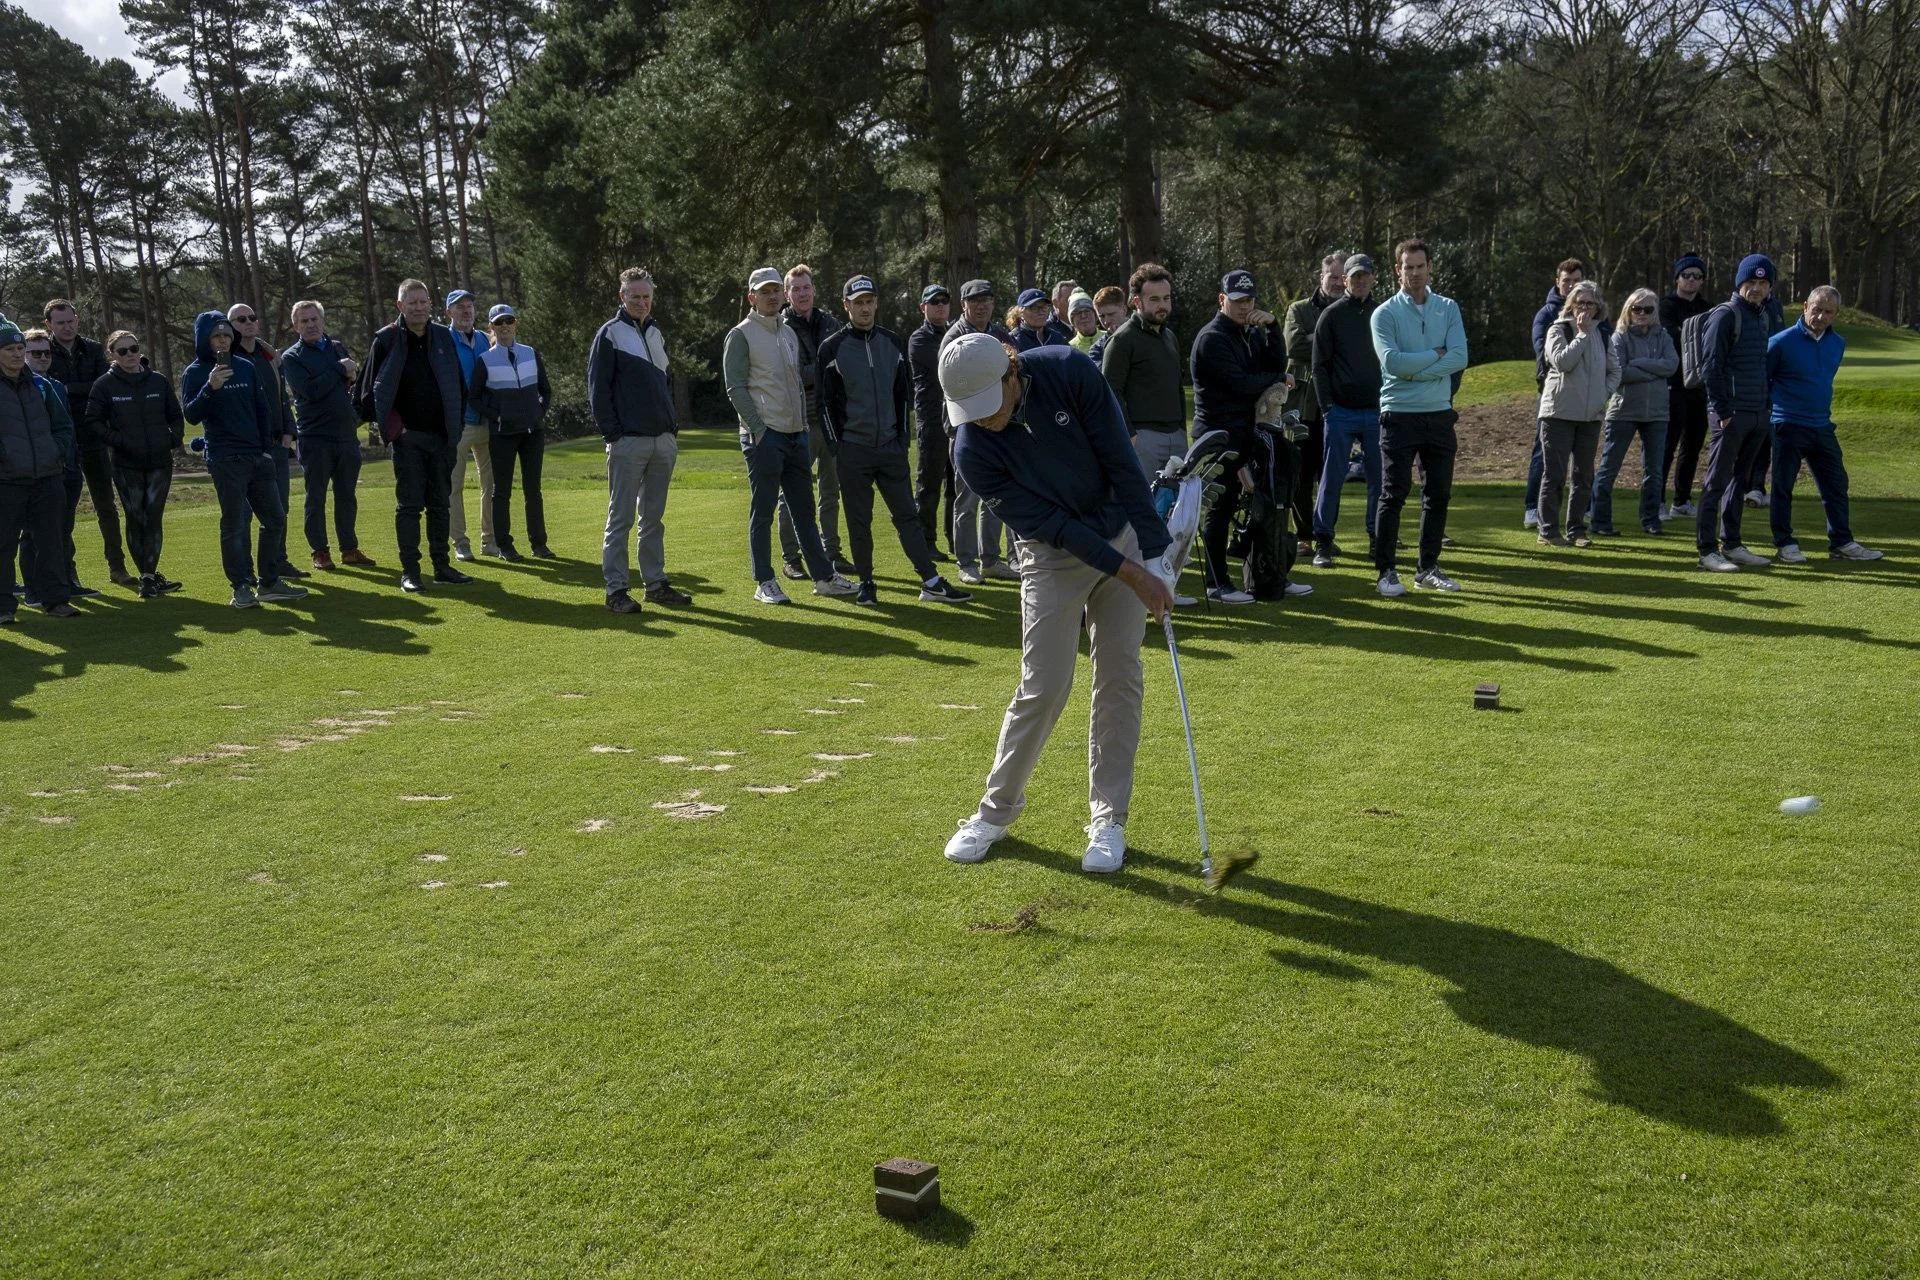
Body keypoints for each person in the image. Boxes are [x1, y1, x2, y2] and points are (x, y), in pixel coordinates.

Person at [938, 335, 1174, 874]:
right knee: (1044, 685)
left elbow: (1121, 460)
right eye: (968, 412)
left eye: (989, 404)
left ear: (1011, 374)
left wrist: (1155, 554)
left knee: (1119, 675)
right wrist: (1135, 574)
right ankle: (994, 813)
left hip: (1123, 535)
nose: (983, 419)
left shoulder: (1070, 370)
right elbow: (1057, 528)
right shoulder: (972, 449)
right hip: (1052, 554)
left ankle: (1108, 819)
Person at [816, 275, 972, 607]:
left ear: (876, 303)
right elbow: (824, 404)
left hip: (890, 447)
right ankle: (867, 583)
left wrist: (902, 439)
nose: (865, 308)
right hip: (852, 450)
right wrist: (837, 447)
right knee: (859, 521)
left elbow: (903, 397)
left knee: (907, 517)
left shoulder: (891, 341)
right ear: (846, 306)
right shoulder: (832, 348)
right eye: (857, 302)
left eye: (869, 301)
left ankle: (930, 582)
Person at [726, 266, 858, 604]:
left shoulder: (786, 333)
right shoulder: (740, 335)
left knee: (804, 510)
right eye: (764, 292)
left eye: (775, 291)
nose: (771, 297)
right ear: (751, 298)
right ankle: (764, 580)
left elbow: (798, 386)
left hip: (795, 433)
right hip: (764, 437)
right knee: (764, 511)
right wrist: (758, 430)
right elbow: (735, 388)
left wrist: (800, 425)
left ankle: (824, 577)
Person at [182, 311, 308, 609]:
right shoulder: (196, 372)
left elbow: (262, 409)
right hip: (225, 459)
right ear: (205, 340)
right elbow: (191, 413)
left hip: (258, 457)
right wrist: (210, 387)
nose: (223, 340)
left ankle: (268, 582)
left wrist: (266, 449)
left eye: (227, 334)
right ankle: (240, 586)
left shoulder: (246, 366)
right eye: (217, 335)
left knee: (275, 520)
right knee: (235, 524)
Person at [358, 278, 474, 594]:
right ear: (400, 306)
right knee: (409, 507)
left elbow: (459, 388)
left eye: (423, 302)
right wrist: (398, 429)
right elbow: (369, 395)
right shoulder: (387, 339)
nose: (419, 307)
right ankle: (410, 571)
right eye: (412, 302)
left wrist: (456, 427)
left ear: (430, 305)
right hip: (408, 440)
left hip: (443, 438)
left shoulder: (442, 337)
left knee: (440, 505)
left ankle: (442, 567)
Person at [1369, 237, 1468, 595]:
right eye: (1407, 267)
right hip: (1398, 414)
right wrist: (1435, 358)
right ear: (1398, 270)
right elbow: (1392, 363)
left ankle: (1427, 568)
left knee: (1437, 495)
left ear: (1429, 268)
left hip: (1439, 414)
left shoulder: (1448, 308)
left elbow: (1459, 357)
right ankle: (1385, 573)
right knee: (1393, 494)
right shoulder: (1385, 313)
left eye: (1419, 266)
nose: (1413, 273)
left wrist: (1418, 368)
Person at [1190, 268, 1292, 604]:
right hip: (1218, 437)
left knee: (1255, 504)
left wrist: (1273, 327)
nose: (1244, 306)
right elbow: (1243, 385)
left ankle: (1266, 574)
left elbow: (1275, 361)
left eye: (1248, 300)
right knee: (1220, 507)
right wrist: (1279, 376)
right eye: (1237, 300)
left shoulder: (1249, 332)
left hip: (1245, 432)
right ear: (1223, 300)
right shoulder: (1212, 338)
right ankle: (1216, 583)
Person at [590, 267, 689, 613]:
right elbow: (598, 392)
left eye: (646, 296)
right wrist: (614, 435)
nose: (642, 302)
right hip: (628, 442)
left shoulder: (655, 332)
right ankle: (616, 590)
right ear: (622, 297)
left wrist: (671, 428)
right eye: (635, 296)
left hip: (662, 440)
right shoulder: (609, 334)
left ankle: (656, 584)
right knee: (621, 519)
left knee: (653, 518)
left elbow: (665, 383)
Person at [1767, 286, 1882, 564]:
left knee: (1836, 484)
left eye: (1828, 312)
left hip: (1821, 425)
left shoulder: (1837, 343)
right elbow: (1764, 383)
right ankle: (1785, 544)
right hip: (1787, 424)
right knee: (1782, 487)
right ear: (1806, 306)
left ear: (1836, 314)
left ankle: (1841, 542)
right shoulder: (1780, 342)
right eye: (1816, 309)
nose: (1820, 316)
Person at [1696, 254, 1784, 572]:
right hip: (1731, 413)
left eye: (1763, 283)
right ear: (1740, 283)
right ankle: (1707, 551)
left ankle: (1731, 544)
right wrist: (1722, 410)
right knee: (1716, 481)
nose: (1757, 288)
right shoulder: (1725, 314)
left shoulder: (1761, 316)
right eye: (1751, 282)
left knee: (1740, 480)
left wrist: (1765, 407)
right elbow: (1711, 366)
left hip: (1757, 411)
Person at [86, 329, 183, 597]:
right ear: (111, 355)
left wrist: (174, 438)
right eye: (122, 351)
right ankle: (147, 577)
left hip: (160, 462)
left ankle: (149, 577)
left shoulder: (158, 381)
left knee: (152, 517)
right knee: (135, 517)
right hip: (126, 465)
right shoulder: (104, 386)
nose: (130, 354)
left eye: (133, 348)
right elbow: (93, 422)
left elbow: (175, 414)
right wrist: (120, 440)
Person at [280, 300, 373, 571]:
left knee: (346, 494)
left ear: (322, 321)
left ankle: (349, 549)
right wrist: (337, 369)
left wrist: (346, 372)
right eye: (304, 321)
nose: (310, 324)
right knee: (316, 496)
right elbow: (310, 390)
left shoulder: (337, 348)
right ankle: (320, 551)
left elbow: (349, 381)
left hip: (345, 435)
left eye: (314, 319)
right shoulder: (292, 357)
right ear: (296, 325)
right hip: (314, 437)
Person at [42, 299, 127, 587]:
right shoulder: (44, 351)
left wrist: (67, 389)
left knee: (107, 506)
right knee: (64, 512)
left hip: (94, 438)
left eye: (71, 320)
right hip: (62, 441)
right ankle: (69, 572)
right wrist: (78, 391)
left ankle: (117, 567)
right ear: (49, 325)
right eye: (60, 322)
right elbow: (46, 388)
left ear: (77, 320)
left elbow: (104, 386)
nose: (67, 326)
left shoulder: (92, 349)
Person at [1, 315, 80, 622]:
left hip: (47, 477)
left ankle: (56, 600)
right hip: (6, 480)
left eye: (20, 347)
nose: (17, 353)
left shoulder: (42, 385)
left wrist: (54, 452)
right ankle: (4, 607)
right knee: (3, 546)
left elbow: (63, 426)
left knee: (51, 542)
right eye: (9, 348)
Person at [1309, 253, 1384, 568]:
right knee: (1332, 477)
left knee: (1380, 480)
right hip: (1340, 411)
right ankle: (1323, 541)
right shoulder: (1332, 314)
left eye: (1364, 276)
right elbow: (1319, 367)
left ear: (1373, 278)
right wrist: (1328, 408)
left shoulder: (1384, 314)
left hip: (1378, 412)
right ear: (1345, 280)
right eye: (1354, 277)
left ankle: (1378, 539)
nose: (1359, 281)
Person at [940, 280, 1018, 584]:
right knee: (967, 501)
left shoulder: (1000, 335)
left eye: (987, 299)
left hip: (997, 428)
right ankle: (967, 563)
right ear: (963, 304)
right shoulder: (954, 338)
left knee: (995, 497)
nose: (982, 305)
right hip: (964, 431)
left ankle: (991, 560)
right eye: (975, 300)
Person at [776, 265, 848, 579]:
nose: (802, 294)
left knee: (831, 492)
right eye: (796, 289)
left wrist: (816, 371)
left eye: (806, 288)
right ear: (786, 294)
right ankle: (792, 558)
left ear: (813, 290)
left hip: (830, 420)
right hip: (797, 421)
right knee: (791, 494)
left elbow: (842, 364)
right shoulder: (780, 327)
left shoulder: (830, 322)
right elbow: (790, 372)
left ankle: (831, 552)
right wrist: (821, 370)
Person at [1534, 281, 1620, 548]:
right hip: (1558, 414)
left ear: (1597, 307)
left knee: (1584, 476)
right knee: (1555, 474)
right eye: (1580, 302)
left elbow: (1615, 371)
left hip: (1590, 417)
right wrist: (1581, 334)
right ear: (1570, 305)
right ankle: (1547, 530)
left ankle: (1577, 530)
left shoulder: (1603, 335)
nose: (1584, 307)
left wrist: (1601, 396)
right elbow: (1562, 362)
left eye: (1590, 303)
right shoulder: (1558, 329)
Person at [226, 301, 303, 582]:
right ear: (229, 325)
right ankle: (247, 574)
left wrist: (288, 432)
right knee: (244, 515)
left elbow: (282, 397)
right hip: (244, 448)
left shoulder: (269, 354)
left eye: (252, 317)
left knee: (279, 509)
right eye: (239, 319)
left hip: (275, 444)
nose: (247, 322)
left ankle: (277, 563)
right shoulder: (226, 358)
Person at [469, 304, 551, 565]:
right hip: (503, 434)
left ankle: (539, 544)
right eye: (499, 323)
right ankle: (504, 545)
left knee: (533, 490)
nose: (504, 327)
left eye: (509, 321)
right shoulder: (486, 360)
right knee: (501, 491)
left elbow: (545, 390)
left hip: (532, 433)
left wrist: (538, 413)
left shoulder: (531, 354)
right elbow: (474, 397)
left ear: (516, 324)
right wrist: (496, 415)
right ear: (491, 327)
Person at [1592, 289, 1678, 537]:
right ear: (1628, 310)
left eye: (1647, 309)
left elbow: (1671, 365)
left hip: (1657, 413)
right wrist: (1654, 370)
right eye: (1636, 309)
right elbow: (1620, 372)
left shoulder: (1663, 336)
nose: (1641, 313)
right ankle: (1599, 520)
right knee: (1610, 468)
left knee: (1655, 470)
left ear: (1655, 312)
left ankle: (1651, 519)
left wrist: (1638, 364)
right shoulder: (1619, 338)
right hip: (1623, 411)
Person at [15, 330, 88, 603]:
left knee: (62, 531)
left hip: (66, 469)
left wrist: (65, 457)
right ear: (23, 354)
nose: (43, 357)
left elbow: (64, 427)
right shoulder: (17, 386)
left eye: (47, 352)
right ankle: (32, 590)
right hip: (33, 472)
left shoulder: (55, 385)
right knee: (32, 535)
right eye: (36, 353)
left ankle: (66, 582)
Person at [1525, 260, 1600, 529]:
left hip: (1588, 403)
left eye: (1576, 280)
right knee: (1546, 460)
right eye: (1566, 281)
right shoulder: (1548, 317)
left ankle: (1578, 520)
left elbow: (1610, 362)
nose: (1570, 285)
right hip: (1555, 395)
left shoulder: (1597, 322)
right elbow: (1550, 357)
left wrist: (1603, 390)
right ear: (1558, 282)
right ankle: (1533, 509)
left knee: (1582, 468)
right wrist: (1579, 337)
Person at [1101, 262, 1185, 479]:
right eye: (1154, 299)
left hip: (1176, 438)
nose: (1162, 305)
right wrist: (1130, 436)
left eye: (1166, 298)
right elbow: (1110, 392)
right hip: (1143, 440)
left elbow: (1177, 388)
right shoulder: (1122, 339)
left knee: (1177, 510)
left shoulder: (1170, 338)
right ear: (1137, 301)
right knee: (1143, 508)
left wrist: (1182, 431)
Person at [1283, 253, 1346, 542]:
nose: (1337, 282)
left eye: (1342, 277)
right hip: (1302, 406)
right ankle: (1304, 536)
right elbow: (1294, 345)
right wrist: (1330, 336)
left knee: (1331, 477)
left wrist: (1315, 337)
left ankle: (1325, 535)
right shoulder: (1298, 309)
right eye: (1332, 276)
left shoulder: (1353, 311)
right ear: (1320, 277)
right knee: (1301, 477)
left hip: (1337, 405)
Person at [442, 289, 496, 561]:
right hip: (458, 424)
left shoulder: (486, 339)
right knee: (455, 485)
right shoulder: (443, 339)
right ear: (448, 312)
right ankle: (460, 541)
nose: (466, 311)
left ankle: (490, 540)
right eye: (459, 307)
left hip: (486, 421)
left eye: (470, 306)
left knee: (492, 484)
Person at [1659, 255, 1712, 520]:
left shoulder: (1709, 308)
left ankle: (1681, 501)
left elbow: (1712, 342)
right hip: (1673, 385)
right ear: (1677, 278)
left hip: (1700, 387)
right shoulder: (1665, 306)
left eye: (1697, 276)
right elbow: (1672, 338)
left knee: (1692, 447)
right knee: (1666, 445)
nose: (1691, 280)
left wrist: (1688, 335)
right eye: (1686, 275)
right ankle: (1656, 500)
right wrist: (1692, 337)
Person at [907, 284, 956, 561]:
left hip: (957, 418)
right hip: (932, 421)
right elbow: (947, 363)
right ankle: (925, 542)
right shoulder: (919, 338)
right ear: (923, 307)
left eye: (944, 301)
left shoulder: (954, 334)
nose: (940, 306)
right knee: (929, 485)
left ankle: (955, 540)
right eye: (933, 302)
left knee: (956, 485)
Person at [1086, 286, 1128, 365]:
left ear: (1124, 310)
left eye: (1111, 314)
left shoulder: (1143, 335)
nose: (1106, 321)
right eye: (1101, 316)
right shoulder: (1097, 349)